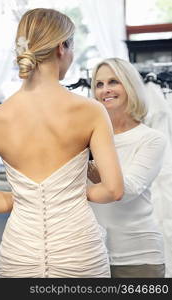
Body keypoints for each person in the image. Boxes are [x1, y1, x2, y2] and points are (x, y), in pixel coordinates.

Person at [0, 9, 124, 278]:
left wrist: (29, 200)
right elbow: (113, 190)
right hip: (79, 251)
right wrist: (67, 196)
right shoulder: (91, 111)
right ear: (62, 47)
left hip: (20, 255)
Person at [88, 57, 166, 278]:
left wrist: (84, 173)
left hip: (139, 256)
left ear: (129, 85)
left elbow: (126, 190)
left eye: (113, 82)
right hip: (92, 255)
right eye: (99, 84)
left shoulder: (151, 139)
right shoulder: (86, 138)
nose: (105, 90)